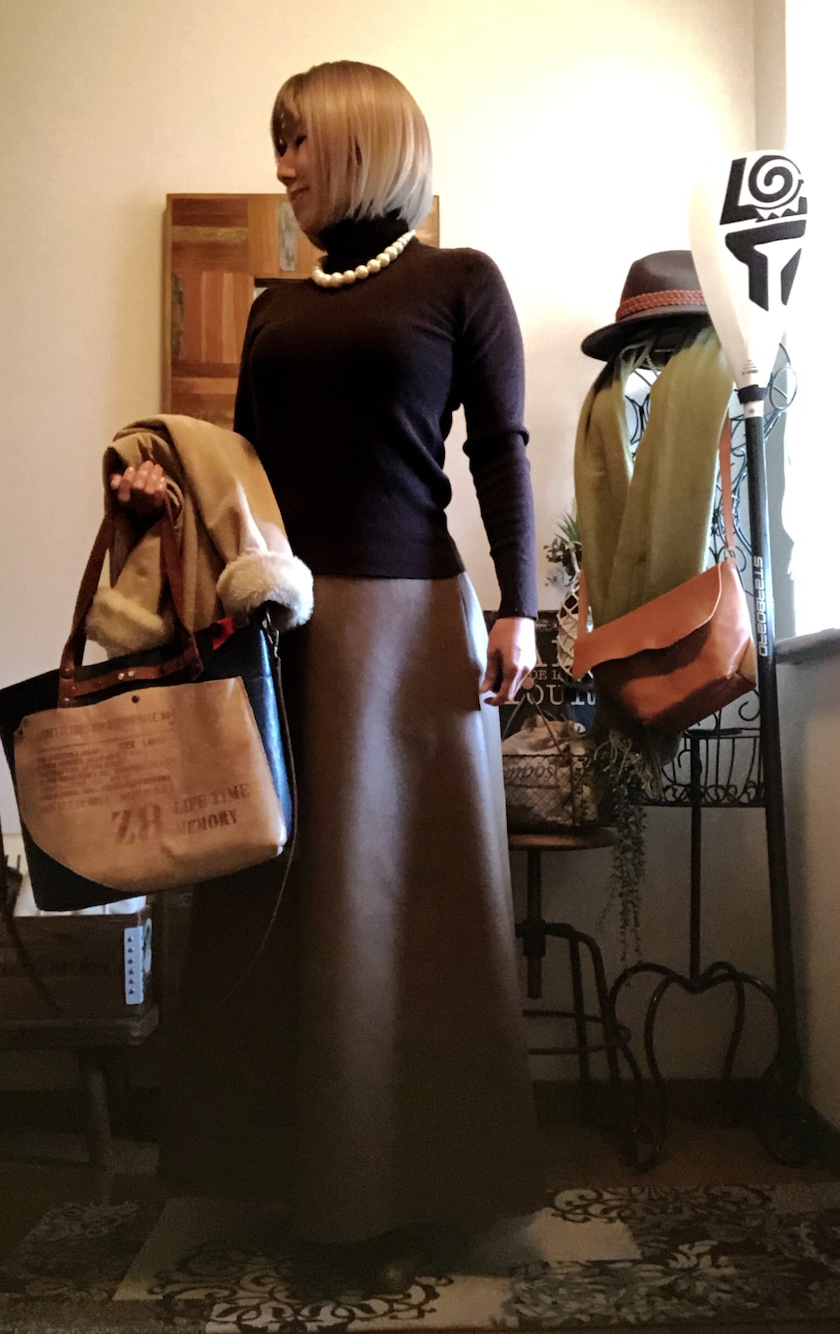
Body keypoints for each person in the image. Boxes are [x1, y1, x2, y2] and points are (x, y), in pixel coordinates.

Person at [117, 59, 544, 1282]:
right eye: (279, 142)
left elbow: (501, 451)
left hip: (411, 631)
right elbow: (242, 479)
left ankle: (423, 1180)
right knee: (281, 894)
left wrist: (520, 607)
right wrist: (159, 489)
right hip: (286, 632)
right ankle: (298, 1174)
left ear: (360, 141)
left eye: (298, 140)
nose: (282, 165)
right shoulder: (269, 310)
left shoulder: (463, 282)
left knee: (412, 904)